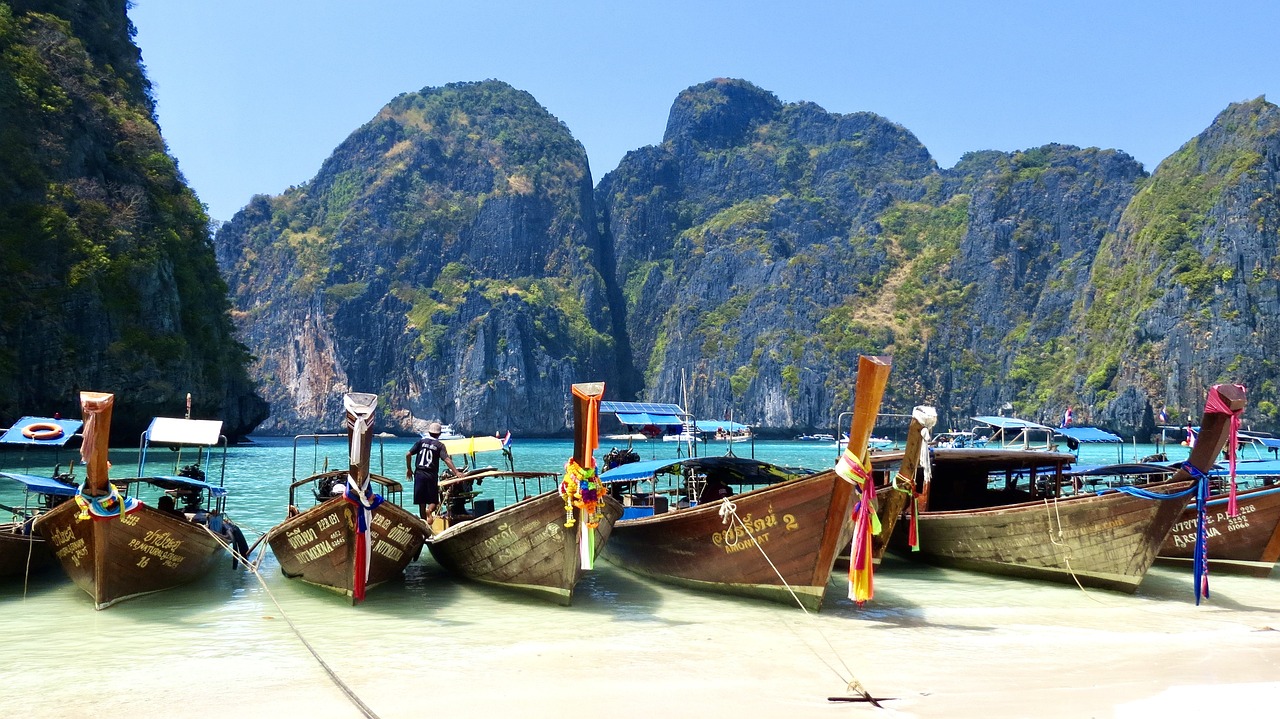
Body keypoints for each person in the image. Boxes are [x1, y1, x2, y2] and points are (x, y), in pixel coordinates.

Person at [406, 421, 461, 521]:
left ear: (429, 432)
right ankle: (430, 511)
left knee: (421, 502)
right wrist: (456, 472)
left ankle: (424, 523)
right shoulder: (440, 445)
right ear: (439, 434)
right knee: (434, 501)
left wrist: (409, 469)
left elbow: (408, 454)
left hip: (419, 474)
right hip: (431, 475)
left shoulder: (421, 442)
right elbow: (447, 459)